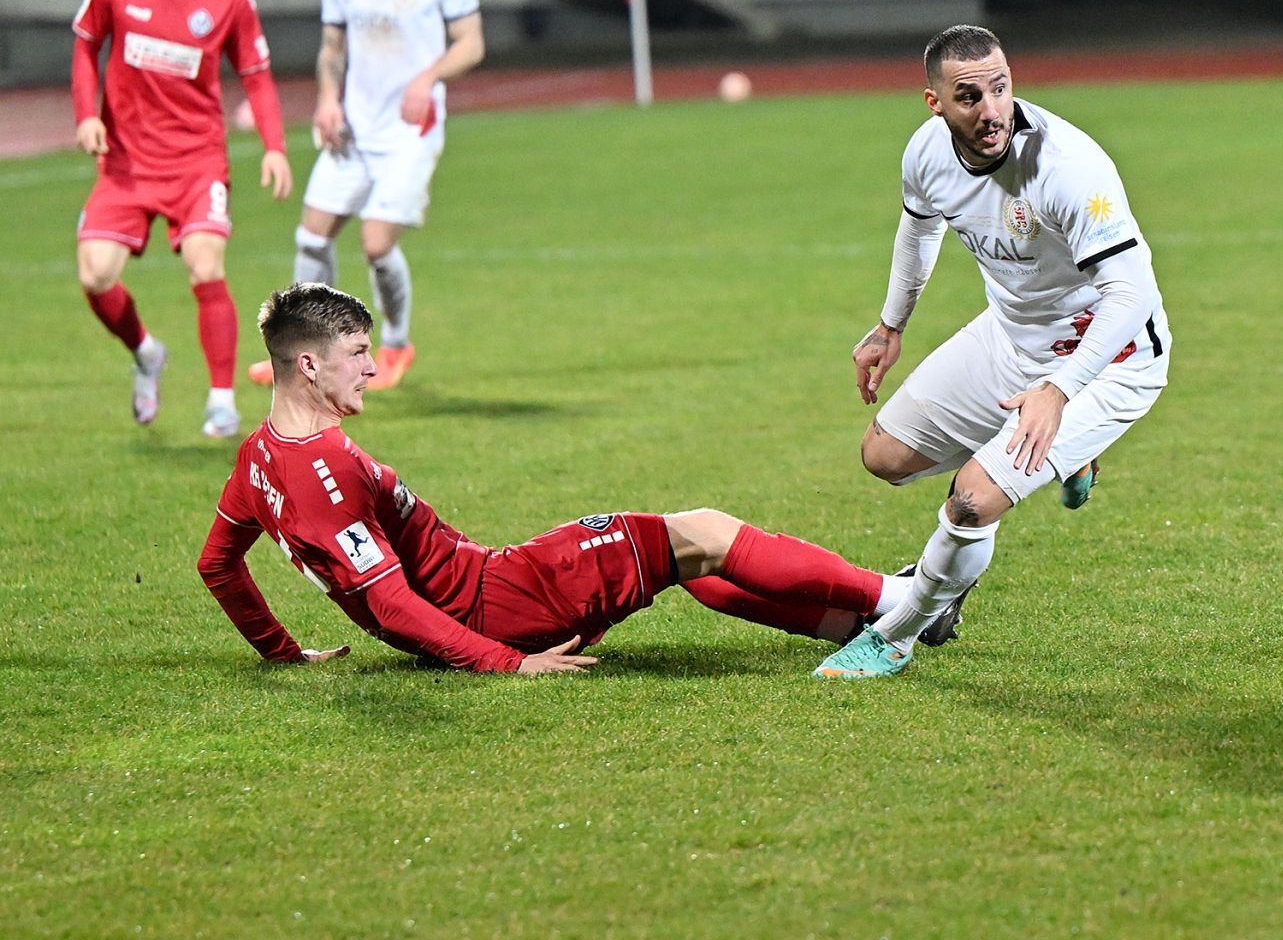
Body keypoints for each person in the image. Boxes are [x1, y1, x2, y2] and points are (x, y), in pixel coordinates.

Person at [199, 283, 945, 673]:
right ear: (309, 364)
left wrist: (281, 650)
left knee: (679, 557)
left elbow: (217, 564)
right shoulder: (323, 471)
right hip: (500, 605)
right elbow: (391, 604)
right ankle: (908, 598)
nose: (370, 367)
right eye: (358, 353)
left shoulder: (260, 456)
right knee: (704, 531)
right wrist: (508, 662)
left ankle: (855, 625)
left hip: (492, 587)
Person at [814, 25, 1173, 679]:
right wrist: (891, 325)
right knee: (883, 456)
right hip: (1009, 337)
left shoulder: (1068, 167)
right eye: (969, 96)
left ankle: (898, 634)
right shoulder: (927, 153)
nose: (991, 111)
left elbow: (1131, 293)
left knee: (972, 501)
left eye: (1000, 88)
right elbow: (919, 228)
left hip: (1109, 360)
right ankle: (1062, 458)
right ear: (935, 103)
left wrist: (1059, 391)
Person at [247, 0, 483, 394]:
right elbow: (332, 50)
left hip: (410, 131)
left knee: (376, 243)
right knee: (312, 237)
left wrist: (428, 77)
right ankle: (306, 353)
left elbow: (472, 43)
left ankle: (396, 344)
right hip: (354, 131)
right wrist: (328, 101)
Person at [72, 0, 292, 438]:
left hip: (197, 162)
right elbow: (86, 43)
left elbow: (257, 77)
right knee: (95, 275)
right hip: (126, 163)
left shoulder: (230, 0)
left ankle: (221, 402)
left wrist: (274, 147)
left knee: (206, 263)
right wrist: (86, 115)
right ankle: (146, 352)